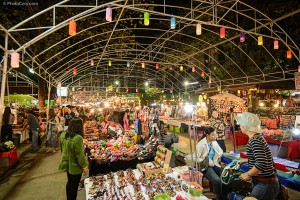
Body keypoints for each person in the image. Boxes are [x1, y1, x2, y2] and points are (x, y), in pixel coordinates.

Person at [236, 112, 279, 200]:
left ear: (246, 126)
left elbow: (261, 164)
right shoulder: (256, 138)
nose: (239, 126)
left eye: (240, 124)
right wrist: (245, 160)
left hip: (265, 183)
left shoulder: (255, 140)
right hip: (262, 182)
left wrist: (247, 174)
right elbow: (261, 157)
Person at [59, 117, 88, 200]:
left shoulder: (63, 134)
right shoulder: (78, 138)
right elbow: (79, 155)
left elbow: (62, 149)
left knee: (70, 182)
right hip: (74, 165)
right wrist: (84, 166)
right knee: (74, 186)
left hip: (66, 162)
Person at [193, 127, 224, 200]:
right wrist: (206, 160)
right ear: (207, 135)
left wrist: (217, 156)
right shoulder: (201, 144)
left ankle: (223, 194)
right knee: (217, 180)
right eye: (213, 135)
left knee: (225, 176)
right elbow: (195, 157)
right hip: (206, 166)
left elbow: (220, 151)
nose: (215, 136)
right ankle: (219, 198)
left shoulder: (214, 142)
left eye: (215, 134)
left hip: (214, 164)